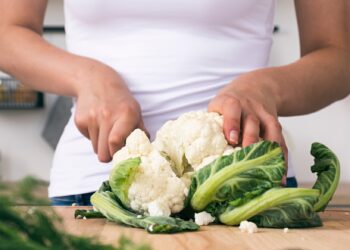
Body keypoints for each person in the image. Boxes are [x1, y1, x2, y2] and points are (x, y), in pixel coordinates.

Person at [0, 0, 349, 205]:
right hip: (93, 186)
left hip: (243, 185)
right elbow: (8, 31)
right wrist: (87, 78)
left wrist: (265, 89)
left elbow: (339, 55)